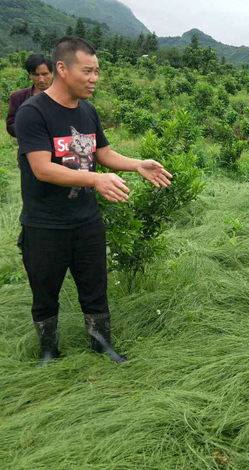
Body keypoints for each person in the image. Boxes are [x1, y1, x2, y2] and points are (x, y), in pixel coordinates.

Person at [15, 37, 173, 367]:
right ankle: (48, 351)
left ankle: (102, 346)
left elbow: (102, 153)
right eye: (87, 71)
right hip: (45, 224)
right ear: (62, 68)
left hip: (86, 220)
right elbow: (42, 168)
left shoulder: (87, 110)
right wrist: (95, 178)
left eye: (97, 72)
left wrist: (137, 164)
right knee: (45, 292)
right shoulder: (33, 111)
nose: (94, 79)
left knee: (95, 288)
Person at [6, 54, 53, 138]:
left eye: (45, 74)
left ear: (52, 74)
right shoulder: (18, 97)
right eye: (36, 75)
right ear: (30, 75)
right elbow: (10, 125)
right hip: (30, 147)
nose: (41, 79)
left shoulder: (65, 97)